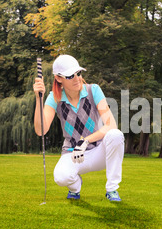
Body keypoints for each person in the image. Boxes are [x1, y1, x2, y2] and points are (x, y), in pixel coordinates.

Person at [33, 54, 124, 201]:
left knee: (116, 134)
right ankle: (75, 188)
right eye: (70, 76)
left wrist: (85, 141)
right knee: (61, 178)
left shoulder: (93, 90)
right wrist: (38, 98)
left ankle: (112, 189)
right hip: (73, 153)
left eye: (78, 73)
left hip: (99, 152)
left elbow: (110, 125)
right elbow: (40, 130)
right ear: (58, 78)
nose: (77, 79)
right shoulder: (54, 97)